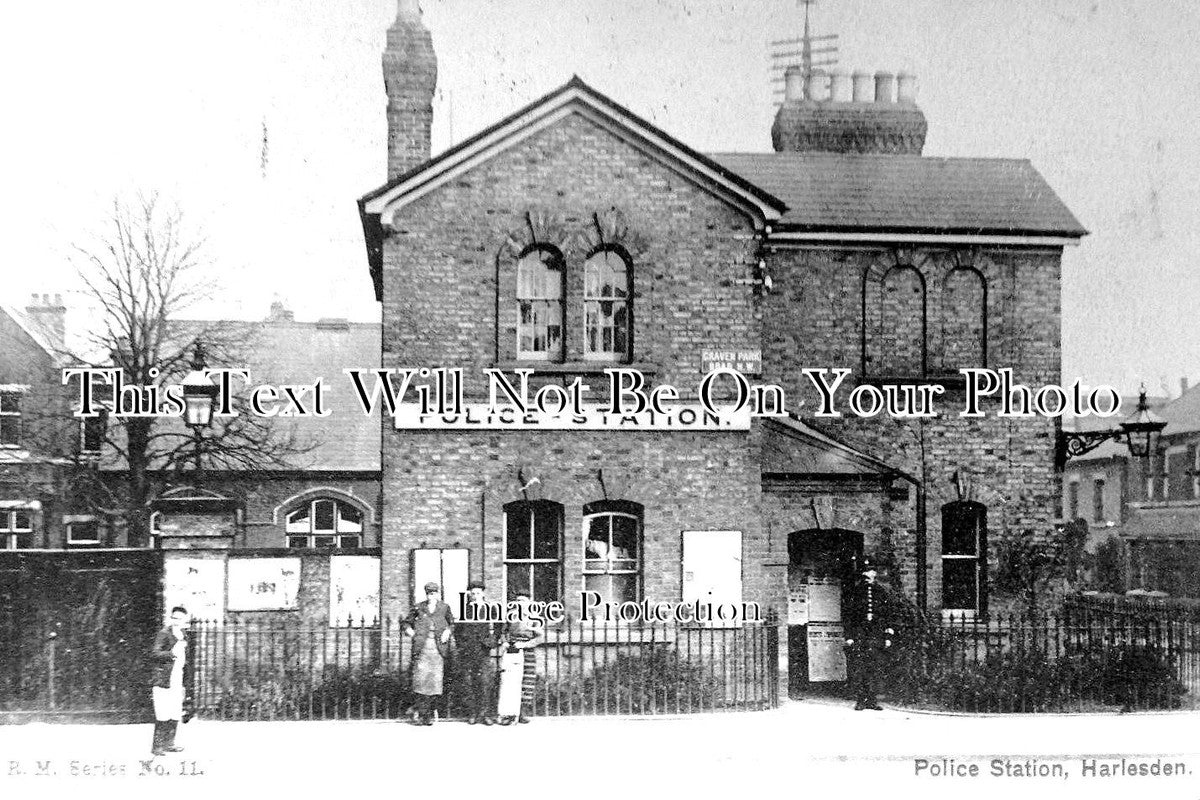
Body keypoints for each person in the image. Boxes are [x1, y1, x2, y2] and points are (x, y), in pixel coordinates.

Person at [843, 558, 895, 711]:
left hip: (876, 634)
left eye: (870, 571)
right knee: (860, 667)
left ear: (874, 574)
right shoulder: (856, 592)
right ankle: (861, 700)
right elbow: (849, 615)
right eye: (865, 571)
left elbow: (887, 615)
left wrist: (887, 636)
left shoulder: (881, 592)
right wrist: (850, 636)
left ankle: (872, 700)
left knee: (874, 667)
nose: (868, 574)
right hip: (860, 634)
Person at [404, 582, 454, 725]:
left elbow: (452, 623)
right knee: (421, 682)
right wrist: (410, 631)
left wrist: (447, 631)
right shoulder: (419, 607)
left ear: (438, 594)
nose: (431, 596)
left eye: (433, 593)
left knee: (434, 683)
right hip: (423, 649)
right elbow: (406, 623)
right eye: (428, 593)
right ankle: (421, 714)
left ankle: (430, 714)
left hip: (438, 649)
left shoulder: (444, 607)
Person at [456, 581, 499, 725]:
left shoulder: (490, 608)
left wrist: (491, 642)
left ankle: (485, 714)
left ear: (483, 594)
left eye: (478, 593)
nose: (475, 596)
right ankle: (472, 713)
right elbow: (457, 631)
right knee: (468, 683)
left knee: (485, 682)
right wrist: (462, 646)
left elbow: (498, 627)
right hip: (468, 651)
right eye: (472, 593)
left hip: (483, 651)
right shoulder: (464, 609)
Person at [150, 605, 190, 756]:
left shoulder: (183, 634)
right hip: (164, 679)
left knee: (174, 711)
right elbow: (155, 653)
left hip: (177, 677)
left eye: (179, 618)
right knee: (162, 711)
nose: (176, 621)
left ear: (185, 620)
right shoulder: (164, 634)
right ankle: (157, 746)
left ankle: (169, 743)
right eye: (174, 618)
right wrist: (171, 653)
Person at [503, 592, 541, 724]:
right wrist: (505, 642)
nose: (520, 603)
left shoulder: (534, 618)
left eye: (523, 601)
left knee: (527, 681)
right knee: (511, 681)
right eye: (518, 600)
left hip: (528, 650)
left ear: (529, 602)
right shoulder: (510, 616)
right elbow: (503, 632)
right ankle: (509, 714)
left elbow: (540, 637)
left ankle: (522, 712)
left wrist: (525, 645)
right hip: (513, 650)